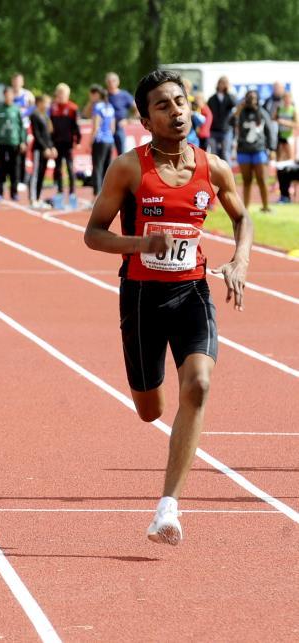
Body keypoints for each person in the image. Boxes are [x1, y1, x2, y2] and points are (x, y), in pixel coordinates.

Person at [84, 69, 252, 546]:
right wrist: (141, 242)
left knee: (197, 385)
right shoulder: (128, 168)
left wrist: (239, 261)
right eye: (163, 105)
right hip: (141, 296)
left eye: (180, 102)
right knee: (149, 408)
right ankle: (149, 397)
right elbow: (93, 233)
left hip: (192, 290)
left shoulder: (213, 167)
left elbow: (243, 219)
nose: (176, 112)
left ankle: (168, 508)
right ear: (145, 118)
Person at [234, 89, 275, 212]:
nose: (251, 100)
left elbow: (270, 130)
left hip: (259, 150)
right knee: (246, 180)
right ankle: (245, 208)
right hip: (243, 150)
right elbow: (230, 122)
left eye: (253, 97)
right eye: (249, 97)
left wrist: (272, 148)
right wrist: (239, 109)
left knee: (262, 180)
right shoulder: (240, 112)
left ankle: (266, 206)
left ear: (257, 99)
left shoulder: (262, 113)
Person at [0, 86, 26, 201]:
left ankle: (14, 192)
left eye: (10, 95)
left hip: (14, 143)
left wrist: (22, 141)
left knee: (14, 169)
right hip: (1, 144)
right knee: (0, 169)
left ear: (13, 96)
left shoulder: (16, 110)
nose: (8, 97)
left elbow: (21, 127)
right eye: (6, 95)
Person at [50, 82, 81, 200]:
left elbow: (76, 126)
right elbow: (50, 126)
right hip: (56, 142)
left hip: (68, 142)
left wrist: (77, 140)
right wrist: (50, 143)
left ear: (67, 94)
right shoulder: (53, 108)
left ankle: (72, 191)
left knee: (69, 166)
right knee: (57, 168)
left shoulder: (73, 108)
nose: (61, 96)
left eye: (63, 93)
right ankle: (59, 190)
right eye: (59, 93)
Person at [28, 94, 56, 209]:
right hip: (38, 150)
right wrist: (45, 148)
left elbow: (47, 135)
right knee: (35, 173)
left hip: (46, 150)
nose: (48, 105)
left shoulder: (45, 116)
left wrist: (51, 147)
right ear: (39, 103)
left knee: (42, 174)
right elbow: (37, 135)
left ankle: (38, 197)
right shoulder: (34, 115)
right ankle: (33, 198)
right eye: (46, 103)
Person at [89, 84, 116, 196]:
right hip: (109, 140)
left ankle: (96, 197)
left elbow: (96, 126)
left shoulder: (97, 107)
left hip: (100, 140)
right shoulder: (110, 106)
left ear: (97, 95)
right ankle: (107, 195)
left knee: (97, 168)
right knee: (107, 169)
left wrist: (90, 141)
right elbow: (113, 128)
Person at [105, 72, 137, 156]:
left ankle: (122, 169)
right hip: (105, 129)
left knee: (121, 154)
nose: (111, 83)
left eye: (113, 81)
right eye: (109, 81)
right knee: (105, 155)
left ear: (118, 82)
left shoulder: (124, 95)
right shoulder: (103, 95)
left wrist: (128, 120)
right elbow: (90, 112)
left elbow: (137, 110)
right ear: (106, 82)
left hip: (118, 127)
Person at [207, 76, 236, 162]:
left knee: (226, 153)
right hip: (214, 129)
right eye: (222, 83)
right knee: (214, 154)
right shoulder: (212, 99)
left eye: (225, 83)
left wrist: (227, 92)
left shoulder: (229, 97)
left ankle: (228, 174)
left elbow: (234, 104)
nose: (223, 85)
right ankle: (215, 174)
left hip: (226, 129)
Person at [273, 91, 296, 163]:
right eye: (285, 98)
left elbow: (297, 124)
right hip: (280, 136)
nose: (287, 100)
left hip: (289, 136)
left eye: (288, 98)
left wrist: (285, 122)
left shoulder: (293, 110)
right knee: (279, 158)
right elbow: (273, 119)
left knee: (290, 158)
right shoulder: (279, 108)